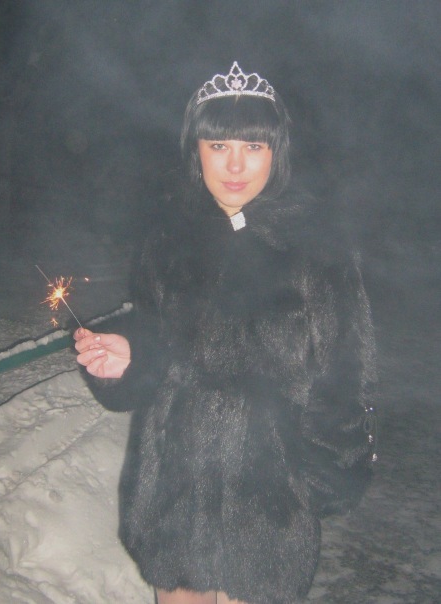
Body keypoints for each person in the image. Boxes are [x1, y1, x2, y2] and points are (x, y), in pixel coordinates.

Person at [74, 62, 377, 604]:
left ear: (276, 151)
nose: (235, 165)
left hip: (267, 508)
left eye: (253, 146)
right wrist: (129, 354)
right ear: (196, 151)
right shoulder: (167, 240)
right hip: (174, 497)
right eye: (218, 146)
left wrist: (312, 486)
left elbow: (344, 377)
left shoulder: (318, 249)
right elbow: (157, 338)